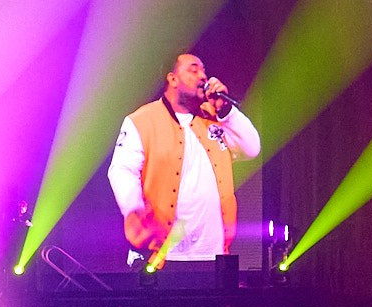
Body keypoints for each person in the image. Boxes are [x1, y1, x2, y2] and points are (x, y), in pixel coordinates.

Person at [107, 50, 259, 269]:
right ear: (173, 79)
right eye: (193, 69)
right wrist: (134, 208)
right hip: (163, 255)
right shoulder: (142, 120)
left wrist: (227, 111)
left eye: (204, 71)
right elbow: (121, 170)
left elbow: (252, 148)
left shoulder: (215, 119)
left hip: (214, 254)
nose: (203, 77)